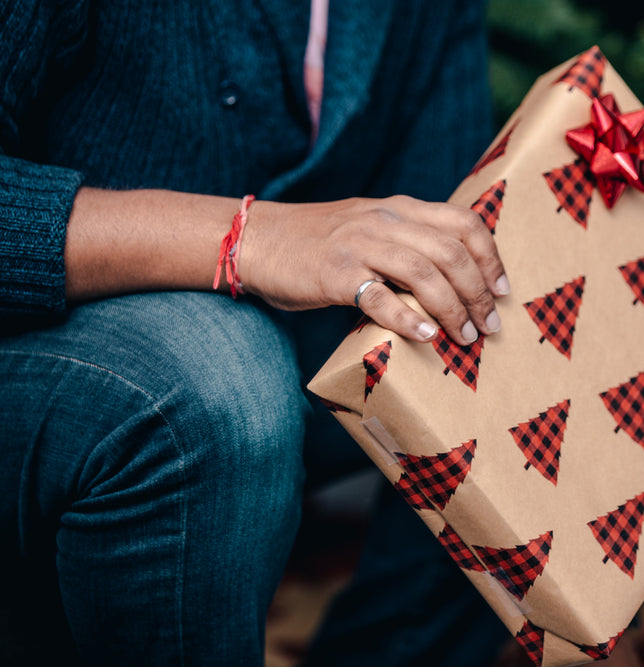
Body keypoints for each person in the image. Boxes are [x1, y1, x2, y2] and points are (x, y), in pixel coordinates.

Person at [0, 0, 516, 664]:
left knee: (501, 372)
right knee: (220, 386)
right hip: (44, 334)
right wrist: (249, 237)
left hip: (292, 334)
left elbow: (436, 214)